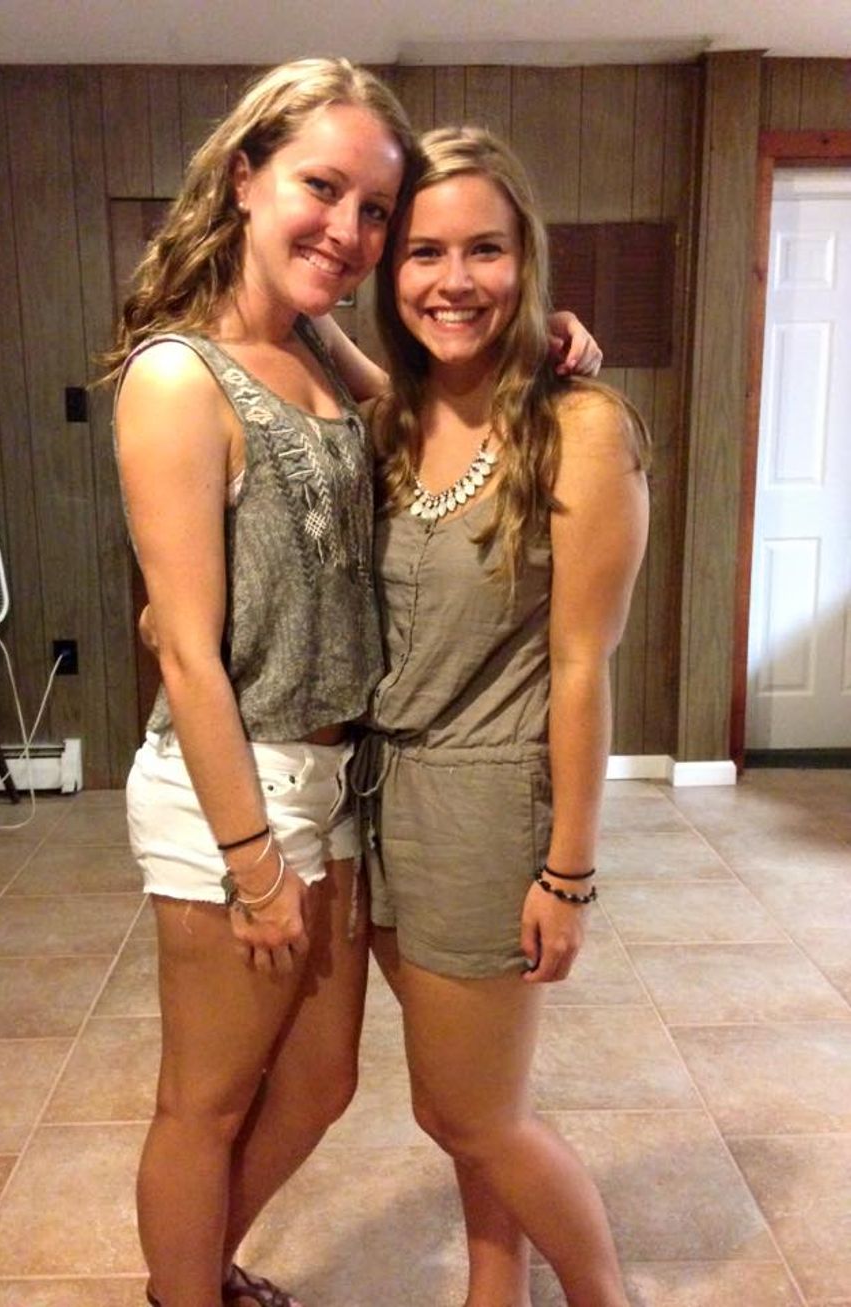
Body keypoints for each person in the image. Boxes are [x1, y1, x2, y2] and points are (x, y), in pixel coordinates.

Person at [113, 55, 602, 1307]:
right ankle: (184, 1290)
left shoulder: (318, 355)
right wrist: (251, 861)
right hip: (237, 788)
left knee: (319, 1081)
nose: (347, 227)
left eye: (373, 208)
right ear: (244, 177)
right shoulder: (178, 376)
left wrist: (534, 349)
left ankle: (195, 1268)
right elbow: (183, 650)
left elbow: (443, 425)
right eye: (320, 187)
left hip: (333, 779)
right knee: (204, 1097)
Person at [356, 126, 650, 1306]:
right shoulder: (392, 415)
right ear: (388, 269)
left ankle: (601, 1295)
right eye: (422, 252)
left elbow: (580, 663)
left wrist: (567, 872)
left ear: (526, 258)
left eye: (484, 249)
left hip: (486, 802)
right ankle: (495, 1281)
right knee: (464, 1102)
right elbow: (303, 324)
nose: (453, 279)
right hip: (380, 795)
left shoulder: (580, 426)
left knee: (472, 1112)